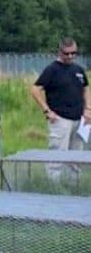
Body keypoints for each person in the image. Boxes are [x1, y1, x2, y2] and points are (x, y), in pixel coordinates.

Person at [31, 38, 91, 179]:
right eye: (67, 53)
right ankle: (53, 187)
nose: (70, 56)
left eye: (73, 53)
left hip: (79, 119)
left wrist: (88, 109)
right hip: (60, 119)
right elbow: (35, 89)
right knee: (57, 156)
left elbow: (86, 89)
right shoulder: (52, 69)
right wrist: (47, 110)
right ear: (60, 52)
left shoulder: (78, 69)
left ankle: (74, 185)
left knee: (76, 157)